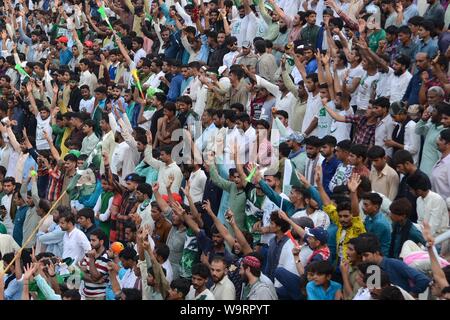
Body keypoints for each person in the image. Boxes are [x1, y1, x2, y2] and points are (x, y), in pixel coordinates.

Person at [355, 235, 431, 296]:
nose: (364, 259)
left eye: (366, 255)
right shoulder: (371, 269)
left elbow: (423, 279)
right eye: (362, 256)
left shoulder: (394, 264)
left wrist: (410, 295)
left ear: (376, 253)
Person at [407, 172, 449, 236]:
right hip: (425, 235)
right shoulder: (419, 200)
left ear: (419, 191)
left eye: (411, 189)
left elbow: (433, 227)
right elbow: (420, 221)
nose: (410, 191)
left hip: (439, 237)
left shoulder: (436, 199)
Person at [79, 229, 110, 300]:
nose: (90, 242)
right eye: (90, 240)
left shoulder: (106, 257)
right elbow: (80, 273)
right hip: (85, 295)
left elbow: (95, 276)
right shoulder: (88, 254)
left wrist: (91, 260)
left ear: (101, 242)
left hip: (99, 296)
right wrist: (94, 280)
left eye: (93, 240)